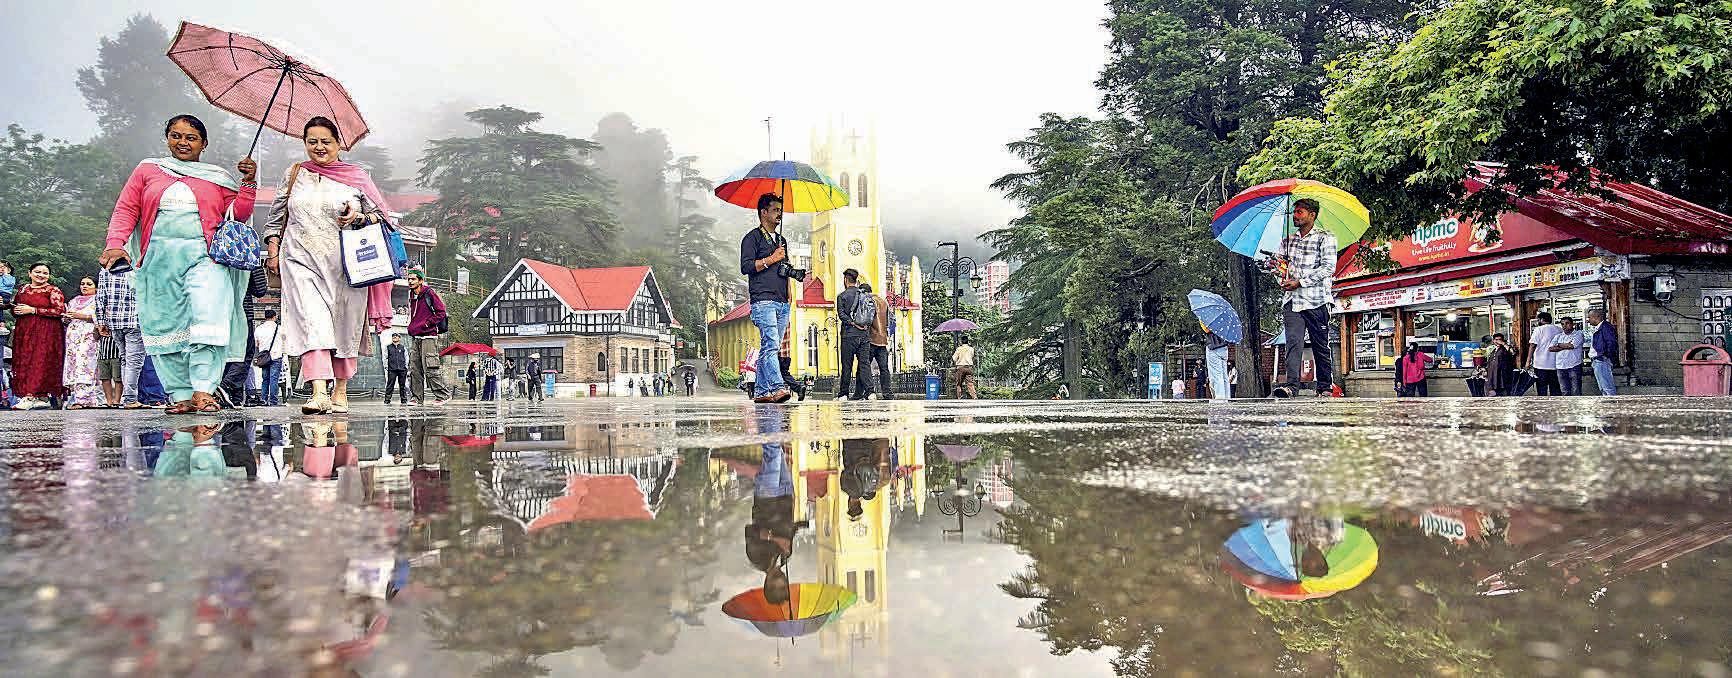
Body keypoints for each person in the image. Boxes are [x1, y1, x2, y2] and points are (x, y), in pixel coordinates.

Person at [100, 115, 258, 415]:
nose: (183, 142)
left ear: (204, 143)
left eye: (191, 137)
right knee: (164, 326)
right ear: (167, 138)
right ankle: (181, 394)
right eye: (176, 136)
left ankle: (204, 390)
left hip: (205, 259)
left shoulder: (216, 177)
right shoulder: (148, 170)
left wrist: (248, 183)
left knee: (208, 317)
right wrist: (115, 243)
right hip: (158, 262)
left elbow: (237, 214)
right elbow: (126, 209)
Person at [262, 116, 393, 415]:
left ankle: (340, 390)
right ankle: (318, 391)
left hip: (346, 266)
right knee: (312, 321)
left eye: (326, 141)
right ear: (304, 143)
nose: (319, 147)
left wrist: (358, 217)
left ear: (338, 144)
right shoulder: (295, 174)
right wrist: (272, 250)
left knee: (344, 326)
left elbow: (382, 217)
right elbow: (275, 217)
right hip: (300, 260)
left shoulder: (356, 177)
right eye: (312, 142)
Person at [1274, 198, 1337, 398]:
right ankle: (1291, 387)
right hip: (1292, 301)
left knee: (1320, 344)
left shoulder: (1325, 237)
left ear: (1312, 215)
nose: (1295, 216)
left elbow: (1328, 268)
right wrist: (1278, 273)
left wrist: (1300, 282)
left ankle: (1325, 387)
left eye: (1300, 212)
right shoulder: (1287, 241)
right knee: (1293, 343)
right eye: (1294, 212)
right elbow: (1280, 270)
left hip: (1317, 299)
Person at [738, 192, 793, 403]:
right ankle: (778, 387)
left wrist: (789, 290)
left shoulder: (781, 240)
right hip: (763, 300)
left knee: (771, 346)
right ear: (763, 212)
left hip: (782, 301)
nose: (779, 214)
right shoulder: (752, 238)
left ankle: (761, 391)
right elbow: (746, 267)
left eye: (780, 210)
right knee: (771, 344)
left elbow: (784, 268)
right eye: (775, 210)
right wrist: (771, 258)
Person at [9, 263, 67, 410]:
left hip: (46, 332)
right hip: (25, 332)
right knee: (24, 361)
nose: (41, 275)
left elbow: (59, 311)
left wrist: (34, 310)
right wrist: (15, 309)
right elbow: (16, 309)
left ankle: (32, 395)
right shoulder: (23, 289)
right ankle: (39, 397)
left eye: (45, 273)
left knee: (40, 361)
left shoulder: (53, 290)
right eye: (37, 272)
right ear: (29, 273)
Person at [95, 262, 144, 408]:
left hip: (114, 321)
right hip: (135, 319)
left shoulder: (106, 269)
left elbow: (100, 297)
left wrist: (101, 321)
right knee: (133, 362)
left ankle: (127, 398)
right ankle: (130, 399)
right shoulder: (138, 265)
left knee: (124, 359)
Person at [405, 269, 451, 405]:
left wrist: (427, 324)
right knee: (415, 368)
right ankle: (417, 397)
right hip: (416, 336)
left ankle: (443, 395)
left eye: (413, 279)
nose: (410, 281)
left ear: (420, 280)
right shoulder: (412, 295)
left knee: (430, 366)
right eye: (409, 279)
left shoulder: (429, 293)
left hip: (429, 336)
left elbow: (441, 312)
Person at [62, 276, 104, 409]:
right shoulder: (74, 301)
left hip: (89, 335)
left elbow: (103, 317)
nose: (85, 286)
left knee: (85, 364)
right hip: (73, 336)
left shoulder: (99, 299)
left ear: (96, 287)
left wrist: (83, 316)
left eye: (89, 284)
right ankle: (80, 397)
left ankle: (83, 399)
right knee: (73, 364)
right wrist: (66, 318)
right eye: (82, 284)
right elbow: (68, 317)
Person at [834, 269, 873, 400]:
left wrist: (853, 323)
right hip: (864, 335)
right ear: (856, 281)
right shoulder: (864, 295)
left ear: (846, 280)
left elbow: (842, 315)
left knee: (847, 365)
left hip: (848, 335)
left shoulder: (842, 296)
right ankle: (870, 392)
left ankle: (844, 393)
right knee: (864, 364)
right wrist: (864, 326)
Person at [865, 282, 892, 399]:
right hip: (883, 340)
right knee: (884, 368)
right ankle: (887, 393)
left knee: (864, 367)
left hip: (871, 339)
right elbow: (890, 320)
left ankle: (867, 392)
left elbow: (867, 319)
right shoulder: (883, 301)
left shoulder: (868, 301)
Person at [1527, 312, 1563, 396]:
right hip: (1556, 364)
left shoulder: (1538, 329)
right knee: (1555, 389)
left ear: (1542, 320)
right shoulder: (1559, 329)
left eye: (1538, 320)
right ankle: (1557, 404)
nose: (1537, 321)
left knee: (1542, 389)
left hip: (1541, 365)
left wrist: (1528, 362)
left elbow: (1532, 345)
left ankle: (1543, 403)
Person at [254, 309, 285, 406]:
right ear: (274, 317)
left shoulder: (259, 329)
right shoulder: (280, 328)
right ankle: (273, 401)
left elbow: (257, 344)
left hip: (264, 358)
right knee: (274, 379)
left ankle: (263, 399)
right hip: (276, 356)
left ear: (265, 317)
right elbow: (285, 341)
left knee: (265, 379)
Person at [1550, 317, 1586, 396]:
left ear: (1572, 324)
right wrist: (1565, 346)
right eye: (1562, 324)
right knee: (1564, 391)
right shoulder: (1558, 336)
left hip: (1574, 365)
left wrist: (1558, 345)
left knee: (1576, 390)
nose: (1564, 326)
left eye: (1567, 323)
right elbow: (1551, 348)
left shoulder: (1578, 335)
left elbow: (1571, 346)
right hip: (1560, 366)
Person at [1588, 309, 1620, 396]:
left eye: (1590, 317)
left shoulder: (1605, 327)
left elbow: (1611, 342)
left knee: (1607, 386)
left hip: (1601, 359)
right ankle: (1608, 401)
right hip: (1598, 359)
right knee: (1603, 386)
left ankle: (1611, 402)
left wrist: (1606, 355)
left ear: (1596, 317)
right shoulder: (1600, 328)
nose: (1588, 320)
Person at [1203, 323, 1231, 401]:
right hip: (1224, 346)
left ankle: (1220, 398)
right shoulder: (1226, 318)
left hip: (1214, 346)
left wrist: (1201, 321)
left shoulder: (1210, 317)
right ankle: (1226, 398)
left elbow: (1206, 329)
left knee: (1216, 375)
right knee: (1224, 375)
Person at [383, 334, 409, 405]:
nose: (395, 337)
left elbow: (406, 357)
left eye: (396, 336)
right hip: (392, 369)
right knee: (390, 385)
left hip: (402, 369)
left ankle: (404, 400)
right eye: (393, 336)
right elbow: (385, 357)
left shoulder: (403, 347)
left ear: (399, 338)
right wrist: (386, 367)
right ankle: (387, 400)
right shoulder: (388, 347)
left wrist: (406, 367)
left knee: (402, 385)